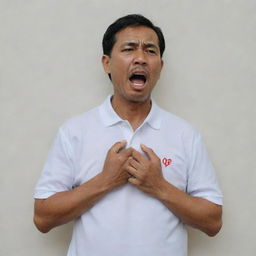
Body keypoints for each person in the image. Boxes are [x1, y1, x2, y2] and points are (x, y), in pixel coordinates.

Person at [33, 14, 223, 256]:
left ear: (160, 67)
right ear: (106, 63)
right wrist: (106, 180)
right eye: (129, 49)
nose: (141, 59)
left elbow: (213, 221)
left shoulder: (185, 135)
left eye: (150, 51)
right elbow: (43, 217)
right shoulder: (74, 132)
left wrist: (159, 186)